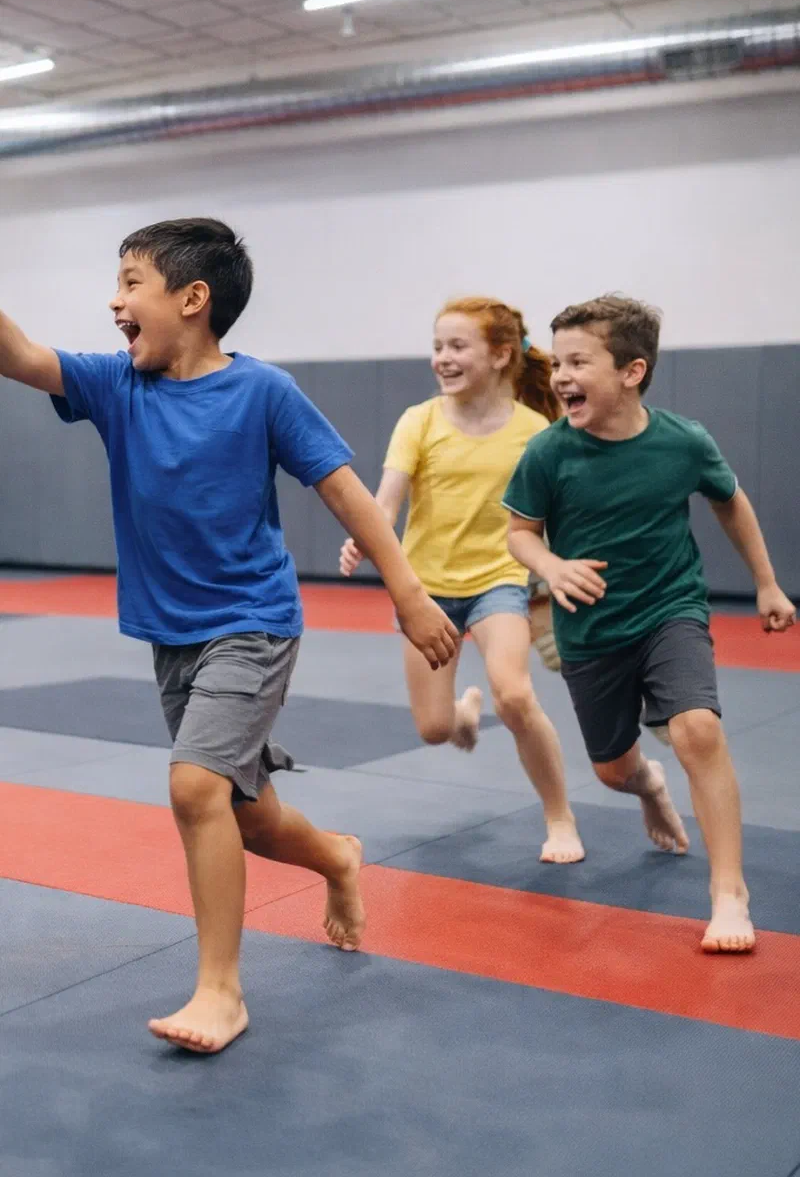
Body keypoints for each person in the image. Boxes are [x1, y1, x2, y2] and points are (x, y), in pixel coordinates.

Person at [0, 217, 458, 1054]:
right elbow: (19, 354)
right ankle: (340, 859)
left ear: (193, 298)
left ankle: (221, 990)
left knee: (193, 790)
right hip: (171, 635)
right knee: (247, 817)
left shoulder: (263, 393)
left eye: (131, 282)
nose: (115, 300)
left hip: (252, 622)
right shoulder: (114, 385)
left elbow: (349, 495)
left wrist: (410, 595)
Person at [504, 294, 796, 953]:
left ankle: (728, 892)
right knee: (611, 770)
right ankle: (649, 787)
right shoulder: (549, 453)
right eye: (557, 362)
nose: (561, 376)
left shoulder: (683, 441)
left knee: (698, 729)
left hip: (671, 609)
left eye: (579, 361)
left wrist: (768, 583)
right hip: (591, 631)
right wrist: (551, 564)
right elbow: (520, 534)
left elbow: (732, 503)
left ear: (632, 372)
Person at [340, 297, 584, 864]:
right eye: (437, 347)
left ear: (501, 355)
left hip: (500, 579)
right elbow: (386, 501)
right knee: (432, 727)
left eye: (456, 347)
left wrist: (554, 577)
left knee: (517, 694)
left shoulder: (536, 432)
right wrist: (365, 536)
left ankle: (560, 817)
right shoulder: (419, 421)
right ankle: (464, 713)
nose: (441, 359)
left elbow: (558, 513)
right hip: (425, 591)